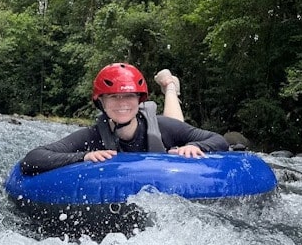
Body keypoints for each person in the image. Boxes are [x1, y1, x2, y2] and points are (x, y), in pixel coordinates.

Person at [20, 62, 228, 175]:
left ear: (139, 99)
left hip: (166, 133)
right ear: (101, 102)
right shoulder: (92, 137)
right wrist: (83, 156)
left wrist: (194, 146)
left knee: (177, 125)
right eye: (113, 97)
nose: (122, 104)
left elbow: (219, 141)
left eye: (129, 96)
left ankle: (170, 85)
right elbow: (32, 159)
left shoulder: (163, 127)